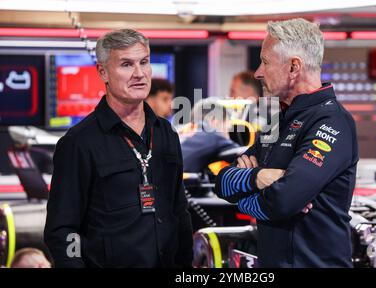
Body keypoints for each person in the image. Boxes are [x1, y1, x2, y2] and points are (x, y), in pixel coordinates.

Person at [215, 18, 358, 267]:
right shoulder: (277, 121)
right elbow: (222, 181)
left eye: (265, 61)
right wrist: (257, 178)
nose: (258, 72)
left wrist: (245, 197)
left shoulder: (333, 122)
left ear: (294, 67)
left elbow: (283, 201)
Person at [44, 29, 193, 268]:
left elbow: (179, 211)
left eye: (144, 62)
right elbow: (62, 231)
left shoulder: (165, 133)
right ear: (103, 71)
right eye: (126, 64)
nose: (139, 74)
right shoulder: (79, 142)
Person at [180, 98, 240, 173]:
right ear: (213, 121)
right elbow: (245, 156)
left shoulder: (179, 132)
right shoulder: (213, 137)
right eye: (227, 129)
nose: (228, 136)